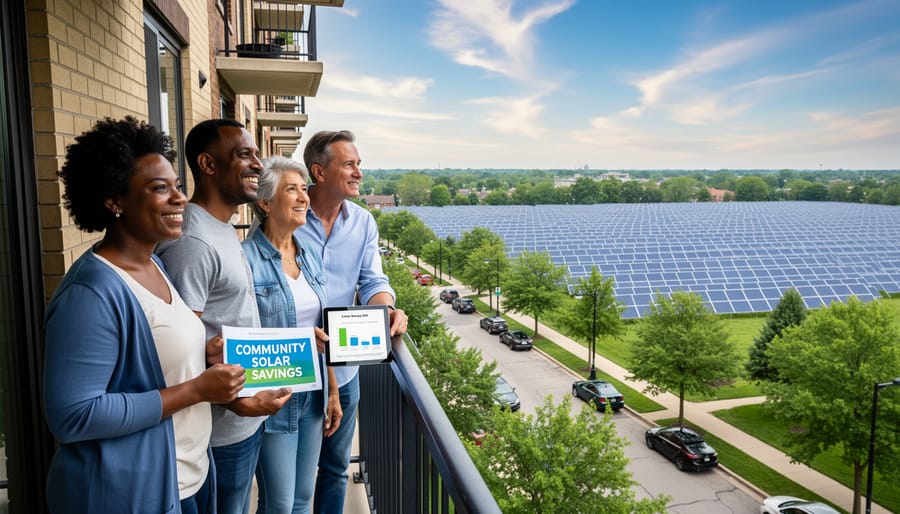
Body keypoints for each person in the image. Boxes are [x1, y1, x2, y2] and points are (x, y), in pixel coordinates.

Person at [43, 116, 246, 514]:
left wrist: (204, 354)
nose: (180, 198)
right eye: (159, 188)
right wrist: (197, 390)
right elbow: (73, 415)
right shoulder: (91, 293)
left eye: (176, 186)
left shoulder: (155, 265)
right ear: (113, 200)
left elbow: (152, 353)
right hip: (135, 492)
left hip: (188, 477)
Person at [157, 118, 292, 514]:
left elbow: (230, 318)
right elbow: (177, 348)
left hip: (244, 418)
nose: (258, 165)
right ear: (208, 164)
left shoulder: (223, 226)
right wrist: (237, 404)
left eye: (257, 154)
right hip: (218, 432)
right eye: (244, 155)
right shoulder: (193, 242)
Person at [297, 130, 409, 513]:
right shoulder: (289, 215)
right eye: (349, 164)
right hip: (294, 366)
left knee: (335, 469)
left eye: (358, 164)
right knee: (291, 479)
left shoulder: (363, 223)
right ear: (319, 171)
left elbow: (373, 280)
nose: (359, 172)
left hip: (343, 373)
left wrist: (386, 309)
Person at [243, 157, 342, 514]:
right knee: (279, 504)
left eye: (304, 189)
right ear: (265, 203)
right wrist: (301, 344)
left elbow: (323, 329)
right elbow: (243, 339)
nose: (303, 197)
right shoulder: (245, 261)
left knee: (303, 499)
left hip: (313, 397)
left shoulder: (310, 255)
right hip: (274, 399)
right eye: (291, 189)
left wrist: (332, 391)